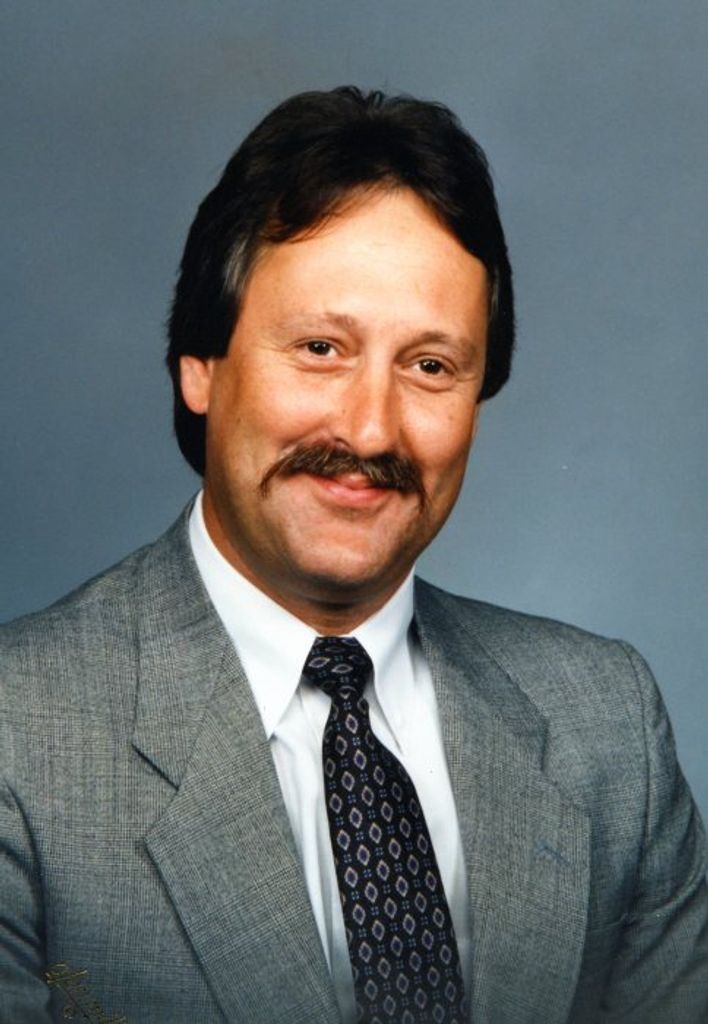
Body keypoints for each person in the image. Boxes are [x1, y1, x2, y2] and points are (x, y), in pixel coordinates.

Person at [0, 86, 706, 1024]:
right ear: (200, 365)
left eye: (430, 366)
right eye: (321, 348)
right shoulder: (19, 739)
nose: (371, 430)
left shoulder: (607, 727)